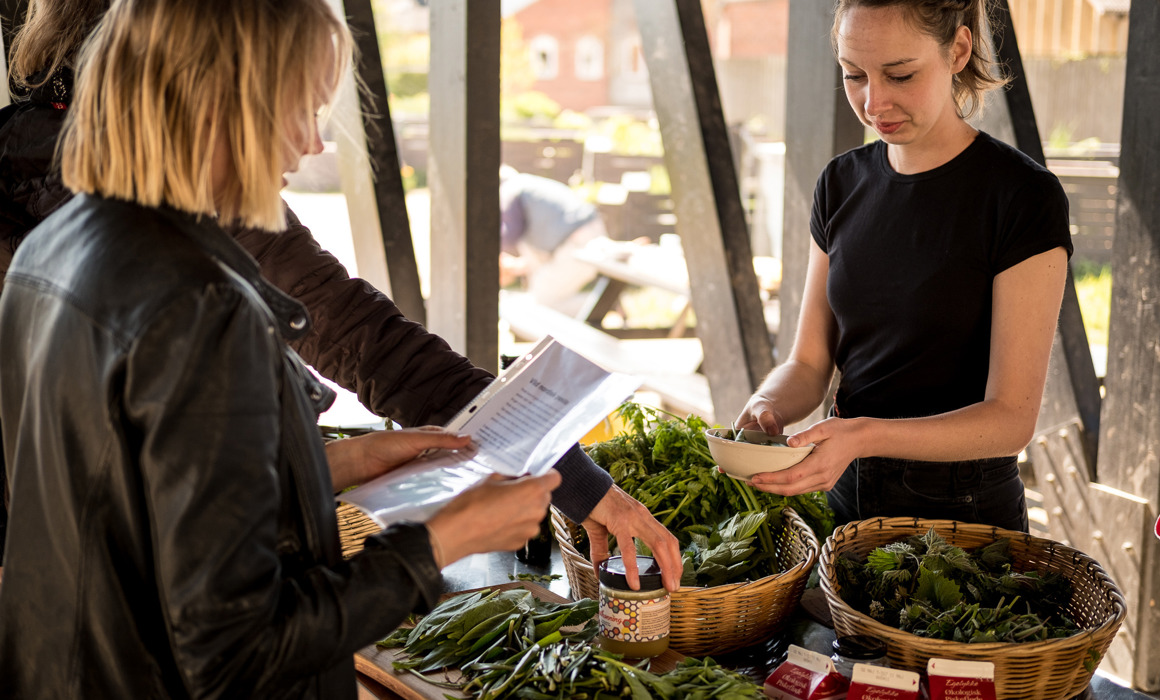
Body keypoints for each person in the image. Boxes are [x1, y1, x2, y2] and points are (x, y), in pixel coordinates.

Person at [0, 0, 682, 592]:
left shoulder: (74, 224)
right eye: (296, 106)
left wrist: (341, 463)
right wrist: (438, 543)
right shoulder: (196, 271)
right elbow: (222, 621)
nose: (311, 144)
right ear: (216, 94)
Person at [735, 0, 1072, 532]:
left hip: (964, 514)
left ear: (958, 50)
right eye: (853, 75)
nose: (874, 102)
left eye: (900, 74)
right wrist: (767, 404)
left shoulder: (1021, 196)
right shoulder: (840, 183)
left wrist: (864, 435)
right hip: (844, 495)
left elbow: (1011, 419)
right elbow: (808, 364)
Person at [499, 166, 611, 315]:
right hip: (583, 237)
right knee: (542, 298)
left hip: (578, 241)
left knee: (542, 303)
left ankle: (606, 307)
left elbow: (510, 234)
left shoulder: (511, 189)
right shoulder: (529, 187)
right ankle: (604, 305)